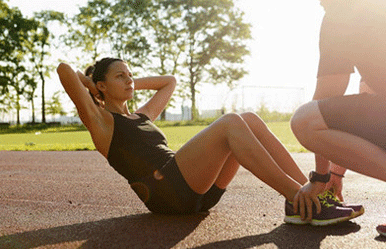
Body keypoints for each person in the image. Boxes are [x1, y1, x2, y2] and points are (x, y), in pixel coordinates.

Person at [57, 58, 360, 225]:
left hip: (198, 193)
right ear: (100, 86)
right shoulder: (102, 124)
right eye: (120, 77)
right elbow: (64, 70)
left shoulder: (142, 115)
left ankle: (312, 194)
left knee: (249, 119)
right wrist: (94, 90)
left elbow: (170, 81)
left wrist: (127, 82)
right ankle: (300, 198)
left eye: (130, 75)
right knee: (229, 123)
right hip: (168, 193)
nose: (129, 81)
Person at [290, 0, 386, 238]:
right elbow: (364, 101)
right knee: (371, 90)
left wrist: (320, 177)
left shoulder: (342, 13)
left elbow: (326, 100)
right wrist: (337, 173)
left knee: (304, 120)